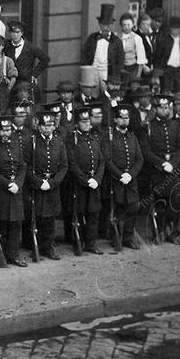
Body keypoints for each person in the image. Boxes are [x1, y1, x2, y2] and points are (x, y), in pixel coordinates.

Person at [137, 94, 180, 244]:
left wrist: (173, 163)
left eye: (166, 108)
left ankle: (170, 232)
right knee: (158, 202)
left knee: (176, 200)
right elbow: (145, 151)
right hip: (157, 171)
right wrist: (162, 163)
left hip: (173, 170)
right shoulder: (149, 126)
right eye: (161, 107)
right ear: (156, 109)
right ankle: (157, 233)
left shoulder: (175, 125)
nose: (164, 110)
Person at [24, 111, 68, 260]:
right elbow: (27, 166)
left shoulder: (59, 143)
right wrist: (38, 182)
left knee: (50, 220)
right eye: (45, 125)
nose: (48, 128)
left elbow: (64, 167)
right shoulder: (32, 143)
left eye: (50, 125)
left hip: (52, 186)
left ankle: (48, 248)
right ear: (39, 127)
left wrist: (53, 183)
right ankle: (35, 247)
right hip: (37, 186)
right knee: (36, 218)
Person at [102, 104, 144, 249]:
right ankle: (116, 237)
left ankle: (128, 237)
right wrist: (120, 175)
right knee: (118, 209)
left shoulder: (132, 137)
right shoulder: (110, 138)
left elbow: (139, 159)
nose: (124, 121)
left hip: (131, 180)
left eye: (126, 118)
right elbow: (107, 160)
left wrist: (130, 175)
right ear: (115, 120)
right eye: (121, 118)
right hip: (116, 180)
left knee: (133, 208)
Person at [0, 117, 28, 267]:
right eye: (2, 130)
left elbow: (23, 166)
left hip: (16, 190)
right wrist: (7, 184)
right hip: (1, 191)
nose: (5, 133)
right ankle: (3, 254)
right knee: (3, 223)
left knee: (16, 223)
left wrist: (17, 183)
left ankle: (14, 255)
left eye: (8, 130)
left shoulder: (17, 145)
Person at [67, 107, 105, 254]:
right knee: (79, 213)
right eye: (83, 121)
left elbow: (101, 161)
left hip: (94, 183)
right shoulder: (72, 139)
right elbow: (71, 163)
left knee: (93, 214)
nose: (87, 124)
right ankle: (78, 242)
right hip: (79, 184)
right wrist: (85, 180)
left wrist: (97, 179)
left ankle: (91, 244)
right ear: (77, 123)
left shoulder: (94, 138)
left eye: (88, 121)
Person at [5, 21, 50, 101]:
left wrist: (34, 74)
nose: (15, 35)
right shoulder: (6, 46)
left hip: (26, 83)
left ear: (22, 33)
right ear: (9, 33)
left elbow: (45, 59)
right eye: (12, 32)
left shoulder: (30, 47)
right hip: (10, 83)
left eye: (17, 32)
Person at [82, 4, 123, 86]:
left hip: (108, 75)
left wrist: (114, 77)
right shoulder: (92, 38)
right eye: (103, 25)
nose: (105, 28)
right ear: (99, 24)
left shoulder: (116, 41)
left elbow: (120, 61)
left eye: (108, 25)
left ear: (112, 25)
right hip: (92, 73)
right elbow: (84, 55)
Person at [153, 16, 180, 94]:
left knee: (179, 93)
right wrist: (158, 69)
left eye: (176, 28)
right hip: (166, 70)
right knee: (166, 92)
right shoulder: (163, 40)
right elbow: (157, 56)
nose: (173, 30)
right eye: (172, 28)